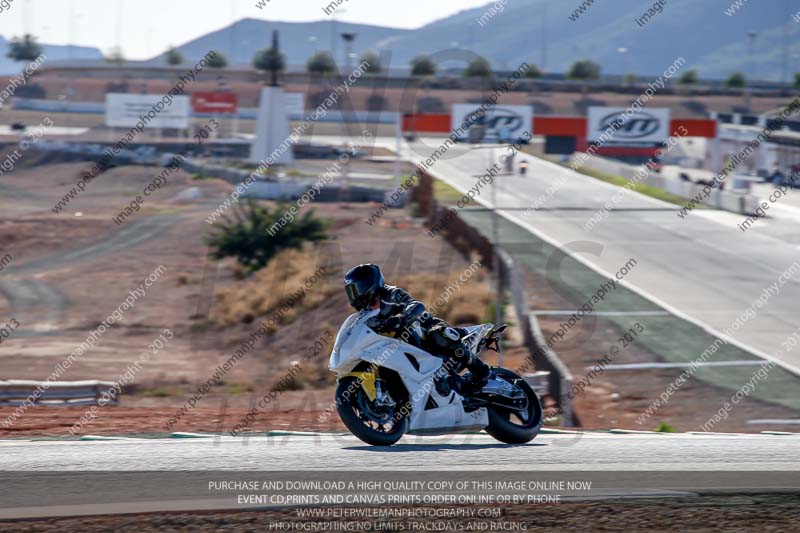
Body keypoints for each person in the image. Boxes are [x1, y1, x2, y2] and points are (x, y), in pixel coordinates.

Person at [343, 263, 491, 391]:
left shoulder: (392, 294)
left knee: (439, 335)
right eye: (351, 291)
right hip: (396, 348)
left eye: (358, 288)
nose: (355, 294)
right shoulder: (364, 314)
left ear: (370, 283)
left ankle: (481, 371)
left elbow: (416, 305)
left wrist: (401, 319)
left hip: (423, 330)